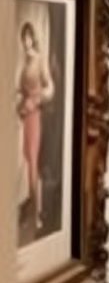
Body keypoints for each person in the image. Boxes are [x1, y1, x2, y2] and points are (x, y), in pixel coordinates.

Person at [15, 20, 55, 233]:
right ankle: (33, 208)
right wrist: (20, 100)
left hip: (35, 116)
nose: (26, 41)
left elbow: (50, 87)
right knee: (28, 160)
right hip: (25, 116)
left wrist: (36, 100)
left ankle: (36, 216)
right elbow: (23, 89)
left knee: (32, 162)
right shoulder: (25, 61)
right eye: (24, 38)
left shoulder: (39, 60)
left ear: (33, 38)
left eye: (29, 37)